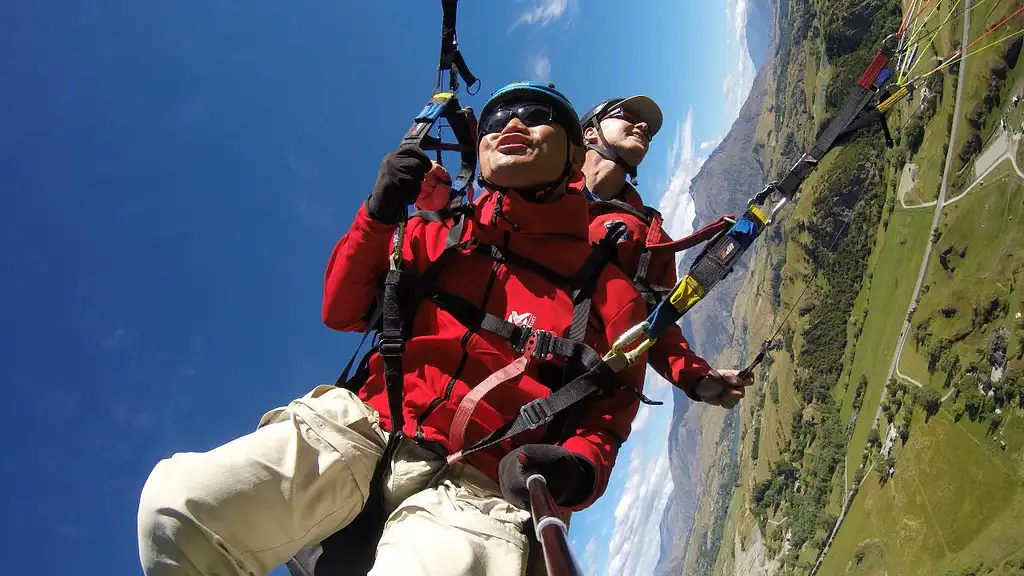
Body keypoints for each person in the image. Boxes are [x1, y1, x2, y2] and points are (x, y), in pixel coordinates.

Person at [136, 81, 650, 576]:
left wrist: (578, 469)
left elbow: (609, 414)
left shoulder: (607, 290)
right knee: (176, 512)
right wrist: (378, 213)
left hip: (482, 483)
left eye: (538, 117)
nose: (513, 122)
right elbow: (342, 309)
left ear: (572, 156)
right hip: (367, 427)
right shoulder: (435, 235)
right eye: (496, 118)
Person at [579, 95, 752, 408]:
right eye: (628, 115)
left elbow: (654, 323)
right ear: (590, 133)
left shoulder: (648, 238)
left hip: (578, 405)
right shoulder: (533, 195)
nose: (643, 126)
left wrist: (697, 378)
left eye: (647, 127)